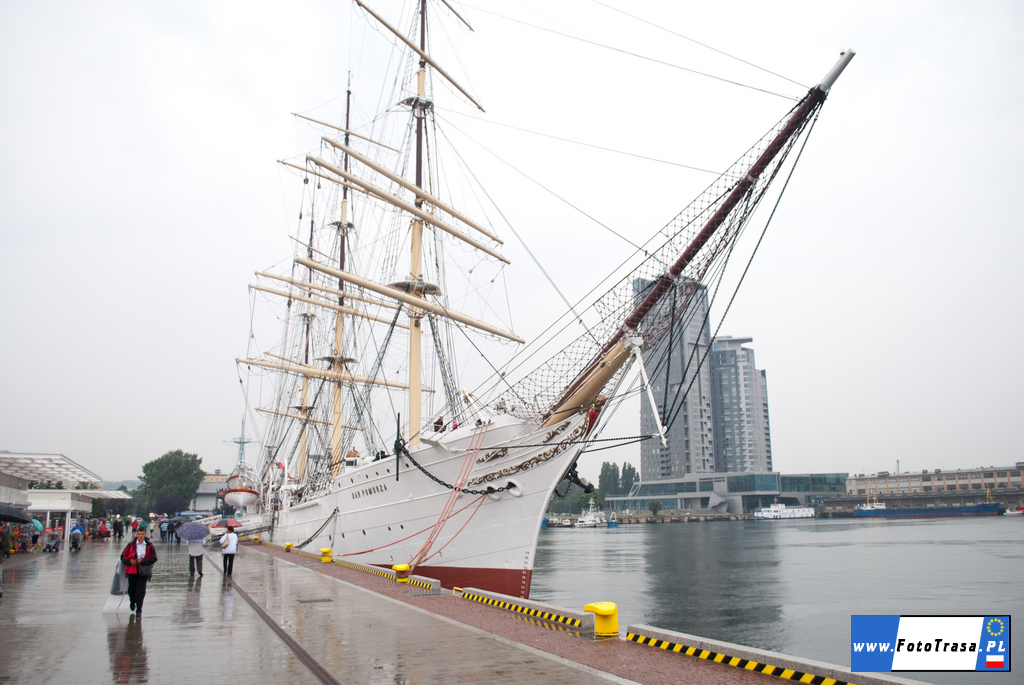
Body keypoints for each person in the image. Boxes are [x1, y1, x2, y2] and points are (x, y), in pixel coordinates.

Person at [121, 524, 157, 616]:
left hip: (143, 571)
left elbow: (154, 558)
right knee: (131, 589)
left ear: (145, 535)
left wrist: (143, 561)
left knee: (141, 591)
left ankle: (139, 609)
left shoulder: (149, 545)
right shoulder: (131, 545)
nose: (140, 536)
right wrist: (129, 561)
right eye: (139, 534)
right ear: (136, 535)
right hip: (132, 570)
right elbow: (123, 557)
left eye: (142, 534)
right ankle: (132, 601)